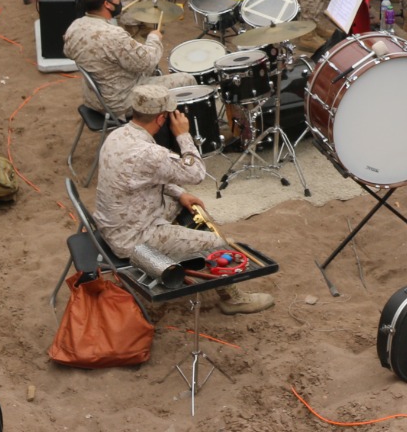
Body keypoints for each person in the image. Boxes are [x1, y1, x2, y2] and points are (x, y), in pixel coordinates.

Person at [93, 83, 273, 314]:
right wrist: (183, 135)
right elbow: (196, 174)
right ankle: (233, 300)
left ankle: (185, 254)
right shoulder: (151, 153)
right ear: (161, 119)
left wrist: (180, 193)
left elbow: (147, 175)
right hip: (134, 240)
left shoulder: (117, 136)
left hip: (114, 224)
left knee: (183, 206)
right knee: (217, 244)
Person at [63, 0, 195, 116]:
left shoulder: (74, 27)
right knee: (186, 80)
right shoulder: (114, 35)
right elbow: (147, 62)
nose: (120, 0)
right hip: (120, 102)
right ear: (107, 4)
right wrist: (154, 38)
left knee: (151, 71)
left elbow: (69, 52)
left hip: (94, 98)